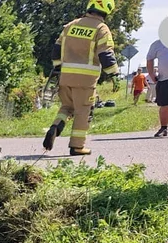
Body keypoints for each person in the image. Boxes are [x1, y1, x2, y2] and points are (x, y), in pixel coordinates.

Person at [43, 0, 120, 156]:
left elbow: (56, 50)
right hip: (86, 80)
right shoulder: (101, 28)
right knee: (83, 112)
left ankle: (56, 126)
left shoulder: (71, 25)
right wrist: (114, 75)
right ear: (108, 9)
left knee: (67, 107)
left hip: (65, 77)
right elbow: (105, 54)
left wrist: (58, 67)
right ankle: (77, 146)